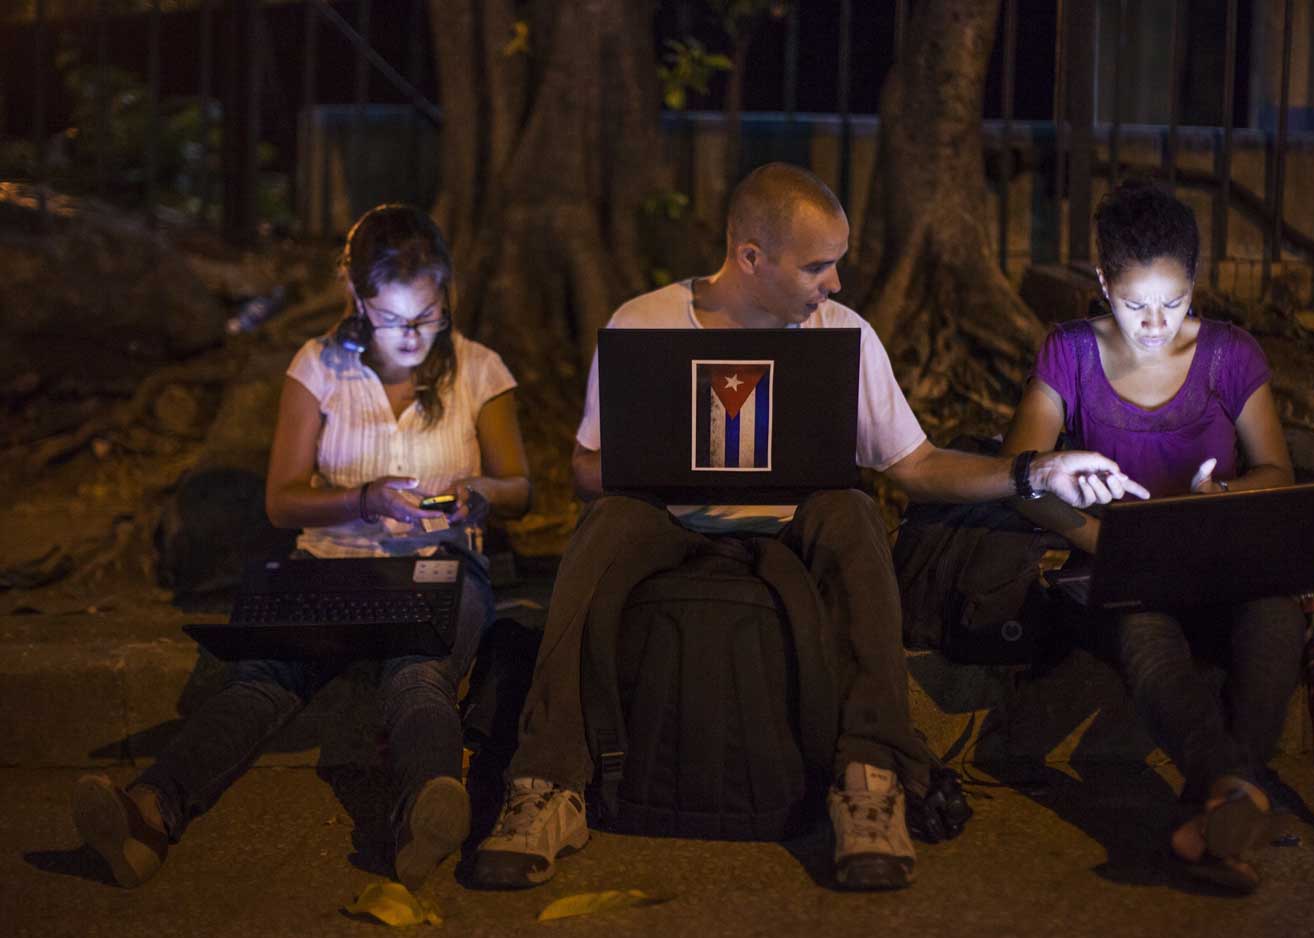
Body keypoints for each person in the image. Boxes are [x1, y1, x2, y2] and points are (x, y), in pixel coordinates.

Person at [469, 162, 1147, 892]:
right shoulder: (643, 323)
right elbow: (582, 471)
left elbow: (915, 466)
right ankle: (544, 788)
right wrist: (676, 460)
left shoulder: (843, 335)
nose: (836, 284)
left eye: (838, 264)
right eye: (818, 266)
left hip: (794, 524)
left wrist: (1032, 473)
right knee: (603, 528)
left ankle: (869, 784)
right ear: (751, 257)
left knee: (852, 510)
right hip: (665, 516)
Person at [71, 204, 532, 891]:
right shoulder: (318, 364)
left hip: (439, 563)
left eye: (429, 315)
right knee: (264, 678)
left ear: (447, 293)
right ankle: (147, 813)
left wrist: (481, 494)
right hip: (331, 566)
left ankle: (428, 811)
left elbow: (521, 485)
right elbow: (281, 498)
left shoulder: (478, 369)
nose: (413, 337)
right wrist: (362, 499)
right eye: (393, 318)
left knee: (420, 670)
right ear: (356, 299)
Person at [999, 180, 1304, 891]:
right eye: (1136, 305)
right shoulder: (1069, 353)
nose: (1157, 324)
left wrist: (1222, 496)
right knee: (1145, 632)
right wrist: (1101, 536)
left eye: (1175, 303)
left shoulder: (1230, 355)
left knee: (1275, 616)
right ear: (1102, 282)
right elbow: (1020, 477)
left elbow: (1277, 470)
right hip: (1122, 564)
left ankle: (1219, 804)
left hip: (1224, 556)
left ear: (1196, 284)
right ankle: (1228, 805)